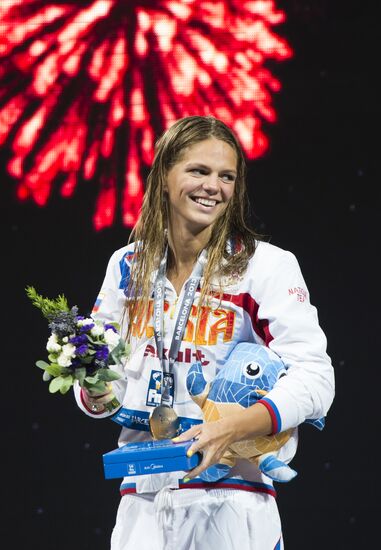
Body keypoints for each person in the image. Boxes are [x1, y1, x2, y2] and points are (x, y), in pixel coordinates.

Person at [73, 115, 335, 549]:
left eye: (226, 176)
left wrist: (232, 426)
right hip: (141, 503)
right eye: (198, 171)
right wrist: (96, 393)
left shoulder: (264, 265)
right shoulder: (126, 265)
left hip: (232, 501)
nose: (213, 186)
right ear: (163, 176)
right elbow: (104, 385)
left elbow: (316, 378)